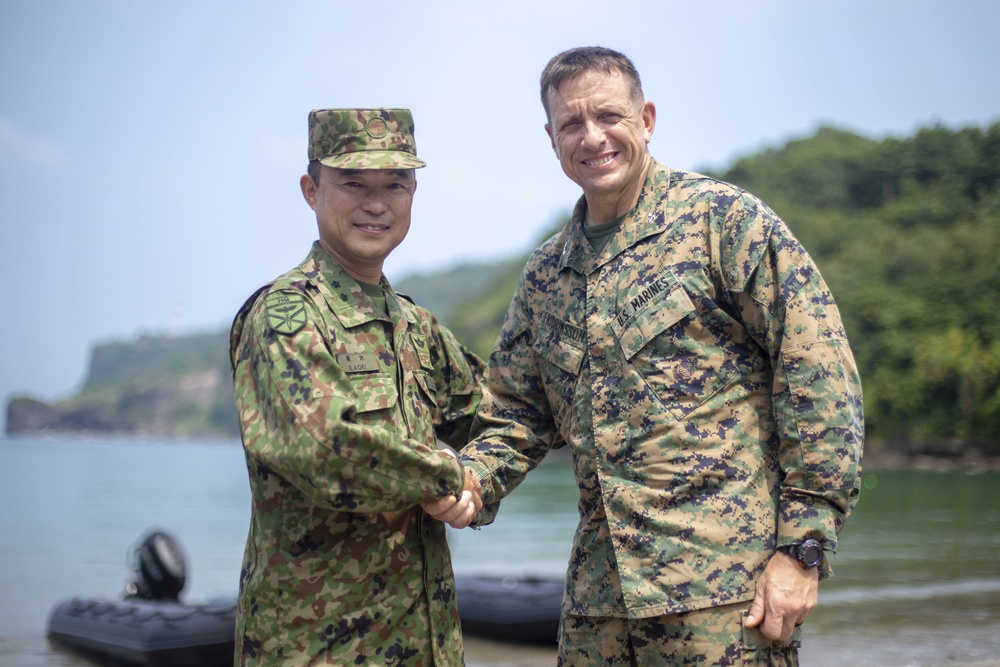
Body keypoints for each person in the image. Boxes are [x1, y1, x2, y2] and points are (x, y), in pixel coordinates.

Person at [432, 47, 864, 665]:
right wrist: (472, 481)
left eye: (609, 116)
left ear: (647, 120)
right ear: (551, 138)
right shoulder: (546, 274)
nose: (593, 137)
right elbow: (518, 414)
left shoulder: (723, 222)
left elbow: (817, 373)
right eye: (571, 124)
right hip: (597, 605)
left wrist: (803, 550)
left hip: (724, 597)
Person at [229, 108, 484, 666]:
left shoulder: (418, 328)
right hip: (318, 648)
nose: (376, 203)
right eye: (353, 183)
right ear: (311, 190)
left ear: (414, 192)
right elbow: (330, 453)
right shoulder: (286, 315)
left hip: (427, 644)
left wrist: (481, 481)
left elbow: (497, 416)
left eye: (394, 184)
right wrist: (446, 472)